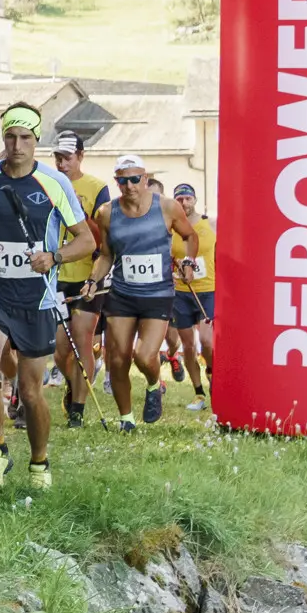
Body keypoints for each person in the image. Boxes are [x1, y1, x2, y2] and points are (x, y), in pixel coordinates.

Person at [0, 104, 92, 491]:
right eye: (10, 137)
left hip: (37, 300)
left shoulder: (55, 184)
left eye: (25, 138)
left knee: (31, 391)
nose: (17, 145)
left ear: (37, 141)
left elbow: (86, 240)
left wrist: (54, 257)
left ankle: (39, 461)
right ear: (3, 139)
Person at [89, 154, 198, 430]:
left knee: (144, 356)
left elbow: (190, 236)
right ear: (117, 182)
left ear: (145, 179)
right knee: (117, 358)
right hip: (122, 294)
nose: (129, 185)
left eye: (135, 179)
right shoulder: (106, 213)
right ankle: (126, 419)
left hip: (157, 294)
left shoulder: (168, 207)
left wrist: (187, 261)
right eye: (122, 181)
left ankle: (153, 384)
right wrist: (92, 280)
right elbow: (106, 255)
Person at [48, 132, 109, 426]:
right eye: (57, 157)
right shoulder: (45, 182)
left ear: (81, 156)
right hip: (56, 274)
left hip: (88, 273)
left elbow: (105, 231)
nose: (61, 164)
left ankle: (77, 412)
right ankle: (76, 381)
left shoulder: (97, 188)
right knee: (61, 350)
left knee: (83, 338)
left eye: (67, 158)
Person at [169, 182, 216, 409]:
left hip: (208, 290)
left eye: (188, 198)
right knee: (188, 345)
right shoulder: (172, 228)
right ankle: (199, 394)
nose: (184, 203)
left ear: (194, 200)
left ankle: (212, 371)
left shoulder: (210, 224)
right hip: (182, 292)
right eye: (179, 199)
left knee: (207, 341)